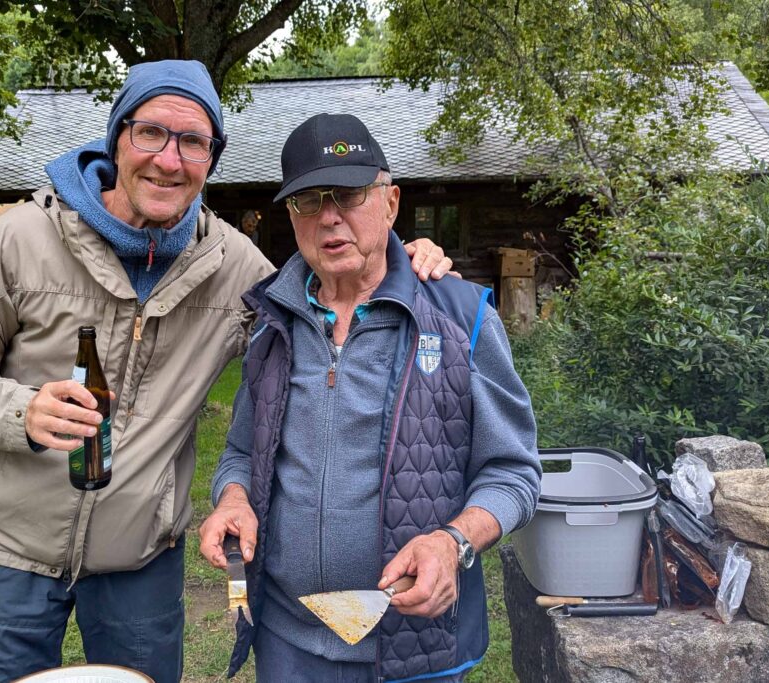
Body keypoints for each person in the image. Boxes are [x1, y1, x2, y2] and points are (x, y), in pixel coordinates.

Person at [0, 62, 453, 683]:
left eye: (193, 142)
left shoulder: (234, 266)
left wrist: (403, 261)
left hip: (142, 558)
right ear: (117, 138)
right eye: (150, 133)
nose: (169, 161)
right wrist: (21, 411)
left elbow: (322, 291)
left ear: (211, 160)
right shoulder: (17, 240)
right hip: (13, 548)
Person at [199, 113, 542, 682]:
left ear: (390, 203)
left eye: (350, 194)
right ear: (291, 216)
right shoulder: (272, 323)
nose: (330, 216)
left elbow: (514, 473)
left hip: (412, 645)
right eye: (309, 200)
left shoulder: (462, 319)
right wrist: (233, 498)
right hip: (287, 645)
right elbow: (240, 452)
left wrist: (452, 542)